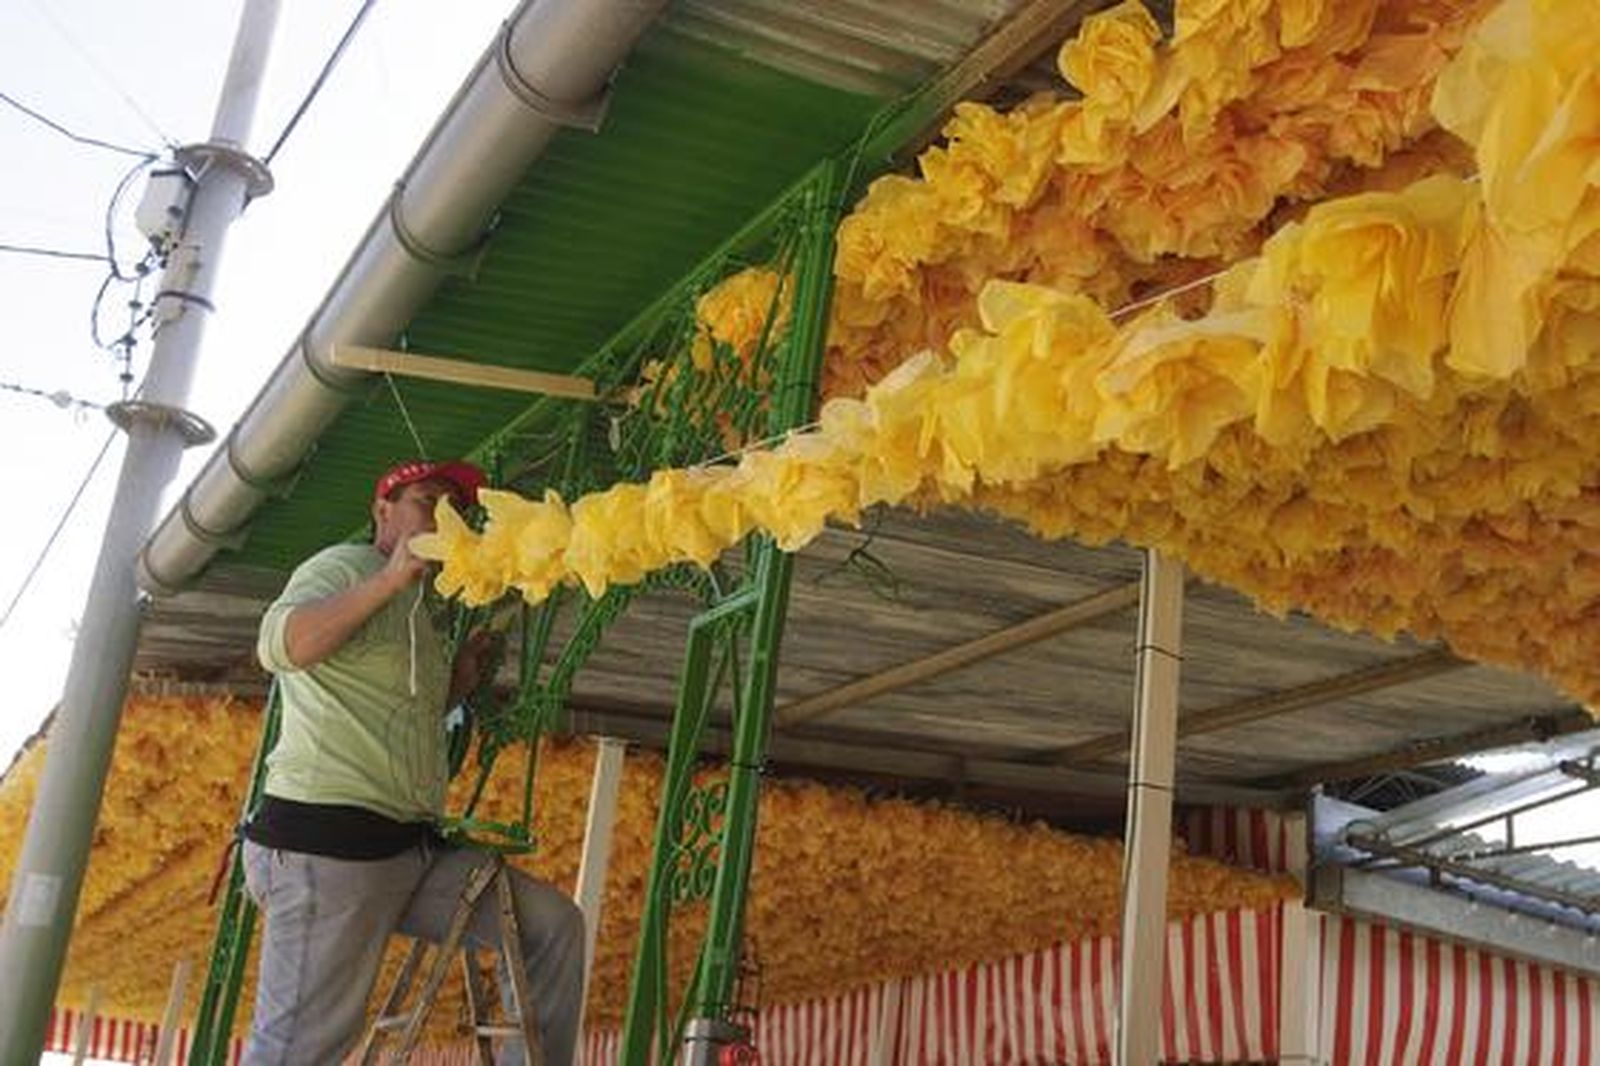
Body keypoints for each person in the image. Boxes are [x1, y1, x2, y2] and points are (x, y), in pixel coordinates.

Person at [240, 459, 583, 1065]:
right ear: (383, 512)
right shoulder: (344, 567)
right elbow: (282, 646)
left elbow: (392, 709)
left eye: (457, 508)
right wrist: (387, 580)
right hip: (328, 849)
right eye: (428, 501)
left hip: (408, 851)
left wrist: (454, 682)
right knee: (301, 1050)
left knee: (552, 926)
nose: (444, 517)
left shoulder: (424, 610)